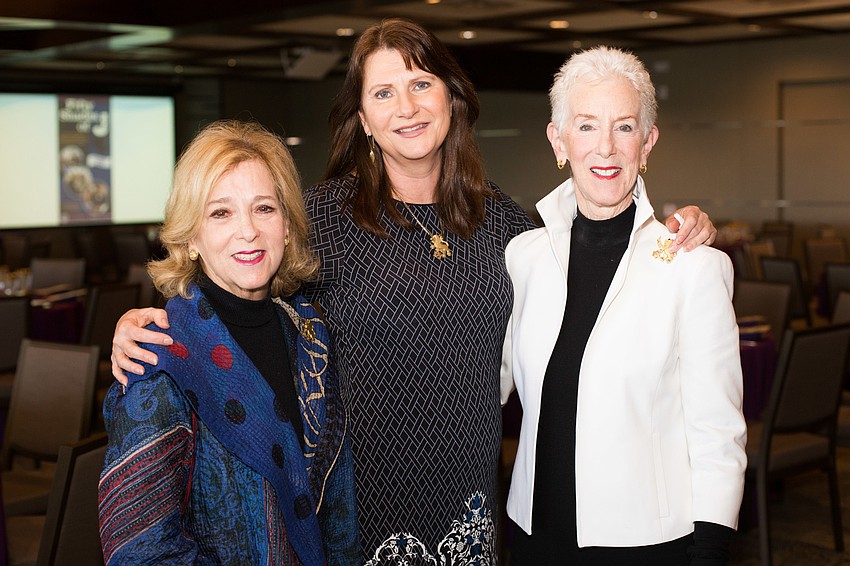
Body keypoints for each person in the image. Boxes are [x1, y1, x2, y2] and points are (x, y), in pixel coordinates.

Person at [108, 19, 717, 564]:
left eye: (422, 84)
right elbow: (236, 286)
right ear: (364, 118)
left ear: (451, 97)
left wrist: (674, 228)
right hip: (355, 514)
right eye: (383, 92)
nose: (407, 105)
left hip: (471, 514)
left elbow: (591, 278)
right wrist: (147, 323)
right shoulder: (321, 221)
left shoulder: (511, 229)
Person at [501, 46, 747, 565]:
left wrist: (711, 550)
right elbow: (488, 387)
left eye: (625, 127)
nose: (606, 148)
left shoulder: (693, 268)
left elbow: (717, 433)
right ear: (558, 139)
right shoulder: (523, 257)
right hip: (533, 535)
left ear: (648, 142)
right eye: (586, 126)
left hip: (648, 547)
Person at [97, 120, 358, 565]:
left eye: (264, 209)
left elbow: (334, 500)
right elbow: (140, 551)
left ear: (289, 226)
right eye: (221, 212)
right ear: (191, 236)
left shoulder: (309, 331)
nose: (248, 231)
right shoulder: (158, 356)